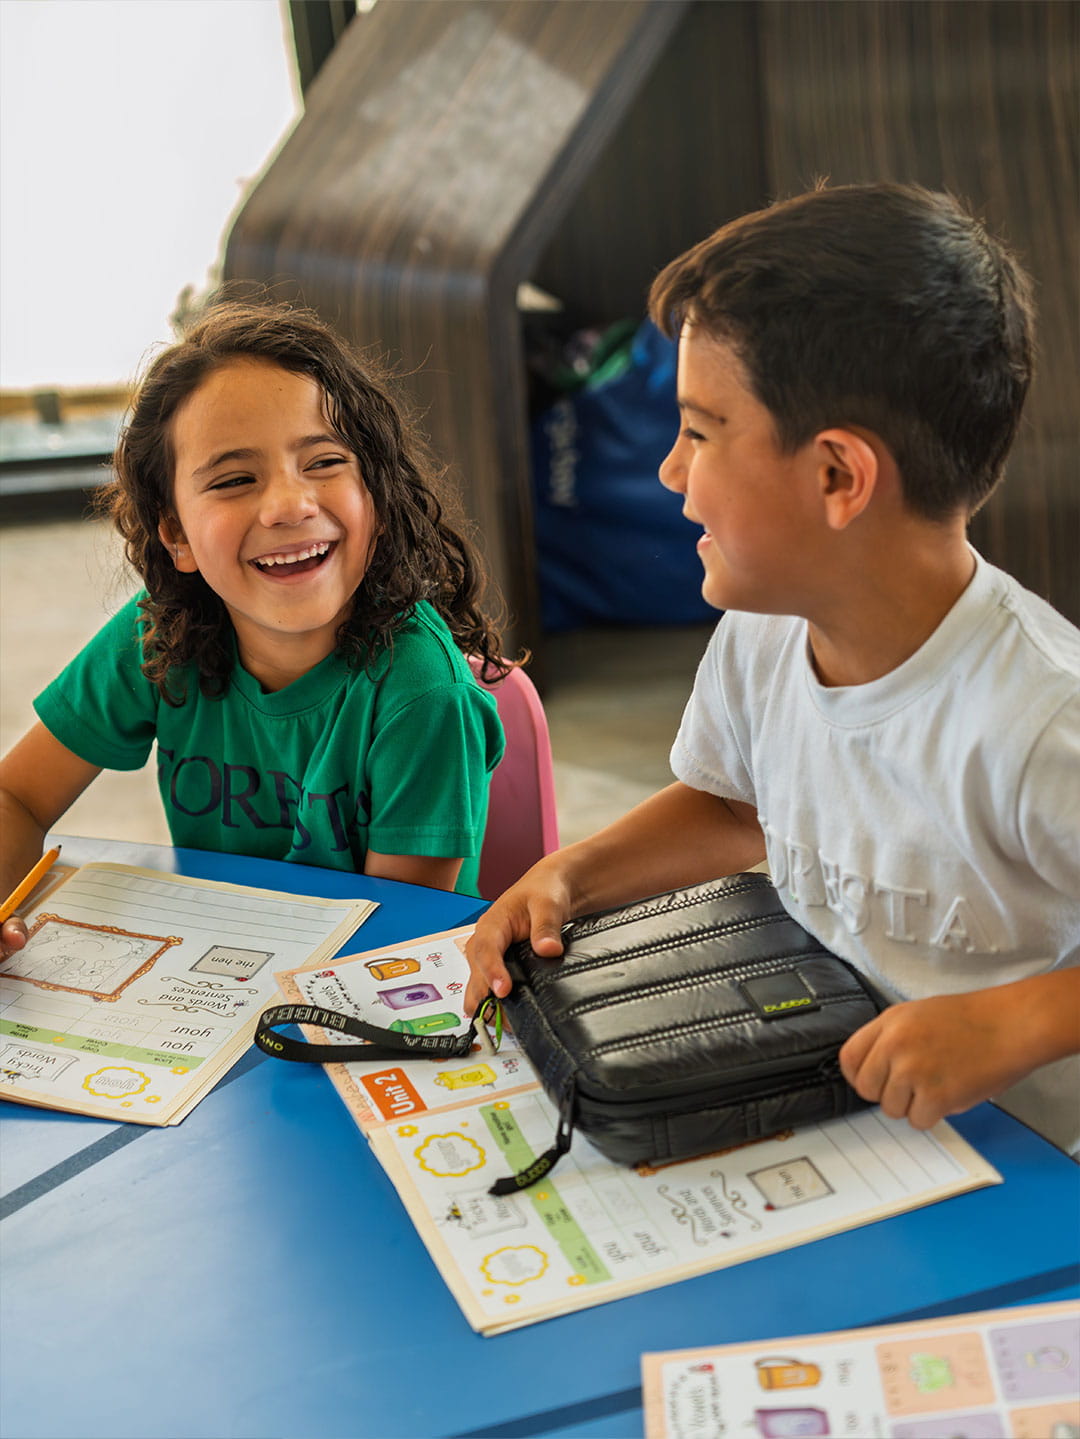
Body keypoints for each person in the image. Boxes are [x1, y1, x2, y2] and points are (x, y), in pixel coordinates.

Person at [465, 182, 1080, 1157]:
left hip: (1027, 1176)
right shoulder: (764, 632)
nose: (669, 470)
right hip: (846, 1130)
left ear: (837, 476)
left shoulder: (1042, 718)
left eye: (699, 432)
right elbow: (733, 804)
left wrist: (1018, 1023)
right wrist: (571, 874)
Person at [0, 299, 507, 951]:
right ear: (177, 536)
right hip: (217, 967)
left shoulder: (422, 695)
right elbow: (17, 796)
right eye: (236, 479)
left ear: (378, 497)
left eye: (324, 462)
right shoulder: (160, 633)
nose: (289, 504)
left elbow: (392, 944)